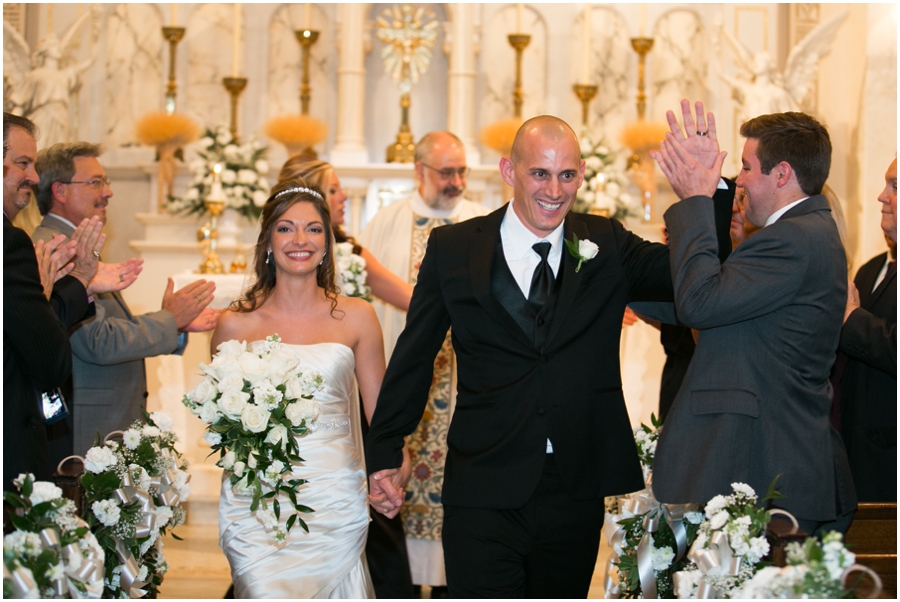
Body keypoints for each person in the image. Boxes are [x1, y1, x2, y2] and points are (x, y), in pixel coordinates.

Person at [365, 116, 703, 597]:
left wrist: (702, 196)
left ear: (582, 173)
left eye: (567, 175)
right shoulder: (455, 248)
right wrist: (384, 449)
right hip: (483, 482)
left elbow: (689, 279)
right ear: (509, 170)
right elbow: (415, 354)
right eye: (539, 174)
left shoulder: (606, 243)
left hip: (574, 486)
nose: (554, 190)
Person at [649, 102, 856, 536]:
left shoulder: (793, 240)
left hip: (768, 468)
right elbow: (723, 304)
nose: (738, 180)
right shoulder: (805, 232)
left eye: (745, 167)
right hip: (766, 462)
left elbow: (699, 303)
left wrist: (694, 199)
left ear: (781, 174)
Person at [211, 179, 409, 598]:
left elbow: (384, 418)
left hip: (334, 497)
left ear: (327, 242)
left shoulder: (357, 317)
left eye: (314, 229)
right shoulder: (234, 324)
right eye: (286, 228)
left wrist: (394, 473)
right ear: (267, 241)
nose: (300, 239)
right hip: (258, 502)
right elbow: (226, 429)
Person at [277, 159, 415, 597]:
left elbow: (406, 296)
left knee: (373, 525)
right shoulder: (252, 310)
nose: (344, 198)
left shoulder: (352, 253)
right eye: (334, 190)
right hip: (285, 423)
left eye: (313, 229)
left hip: (345, 398)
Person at [360, 131, 489, 596]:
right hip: (403, 376)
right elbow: (361, 298)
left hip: (464, 386)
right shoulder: (387, 221)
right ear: (419, 171)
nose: (455, 181)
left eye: (461, 172)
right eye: (445, 172)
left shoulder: (481, 222)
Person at [31, 142, 220, 456]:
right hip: (88, 428)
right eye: (95, 182)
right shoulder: (54, 250)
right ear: (60, 191)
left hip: (104, 422)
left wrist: (176, 325)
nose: (108, 192)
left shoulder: (74, 243)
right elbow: (96, 340)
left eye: (106, 182)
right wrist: (169, 320)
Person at [3, 112, 130, 490]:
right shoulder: (12, 245)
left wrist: (72, 286)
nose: (33, 176)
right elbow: (49, 361)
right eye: (23, 162)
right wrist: (71, 285)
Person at [834, 157, 897, 502]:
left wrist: (850, 316)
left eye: (895, 187)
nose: (881, 196)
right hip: (856, 450)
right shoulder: (872, 268)